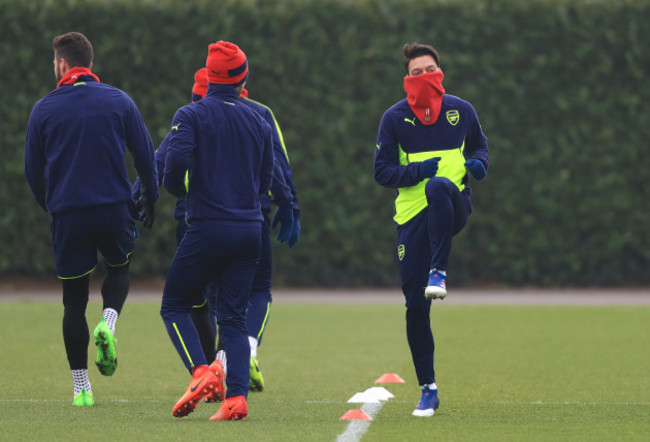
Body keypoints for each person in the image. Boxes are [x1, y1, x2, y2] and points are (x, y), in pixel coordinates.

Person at [24, 32, 158, 407]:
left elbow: (32, 172)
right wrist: (150, 199)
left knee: (73, 302)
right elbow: (146, 159)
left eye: (54, 62)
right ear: (90, 64)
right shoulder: (119, 101)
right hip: (114, 209)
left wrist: (51, 205)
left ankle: (81, 388)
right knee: (119, 271)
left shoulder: (43, 109)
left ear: (63, 64)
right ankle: (110, 323)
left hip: (68, 214)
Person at [160, 41, 274, 421]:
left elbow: (173, 165)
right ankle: (236, 399)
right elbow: (266, 179)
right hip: (250, 230)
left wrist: (180, 191)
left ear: (209, 77)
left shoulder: (191, 114)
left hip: (208, 227)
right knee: (234, 320)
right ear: (243, 77)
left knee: (175, 304)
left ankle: (202, 372)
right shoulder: (259, 119)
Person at [373, 42, 489, 417]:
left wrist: (477, 165)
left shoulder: (462, 110)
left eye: (429, 70)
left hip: (453, 206)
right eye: (416, 72)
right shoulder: (394, 118)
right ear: (407, 79)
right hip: (412, 219)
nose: (423, 76)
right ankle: (428, 389)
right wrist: (420, 170)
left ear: (440, 73)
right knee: (415, 307)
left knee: (440, 186)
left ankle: (439, 272)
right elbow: (383, 172)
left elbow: (481, 147)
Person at [209, 87, 300, 393]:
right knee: (258, 289)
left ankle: (211, 367)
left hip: (206, 219)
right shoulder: (260, 112)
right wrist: (289, 205)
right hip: (252, 216)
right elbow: (277, 162)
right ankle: (248, 349)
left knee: (209, 295)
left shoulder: (196, 112)